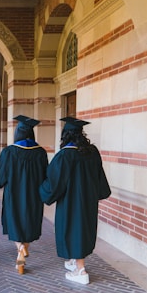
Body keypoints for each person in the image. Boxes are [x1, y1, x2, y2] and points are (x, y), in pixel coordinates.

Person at [39, 117, 111, 284]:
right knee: (82, 230)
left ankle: (81, 270)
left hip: (70, 202)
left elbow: (53, 182)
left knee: (72, 229)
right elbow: (99, 177)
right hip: (88, 201)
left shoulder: (65, 155)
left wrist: (42, 190)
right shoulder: (92, 152)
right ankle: (73, 261)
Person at [0, 115, 48, 274]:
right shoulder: (40, 152)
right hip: (34, 195)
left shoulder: (9, 151)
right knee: (29, 223)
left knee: (15, 222)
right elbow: (46, 175)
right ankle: (22, 253)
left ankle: (20, 250)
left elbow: (1, 175)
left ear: (17, 133)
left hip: (14, 194)